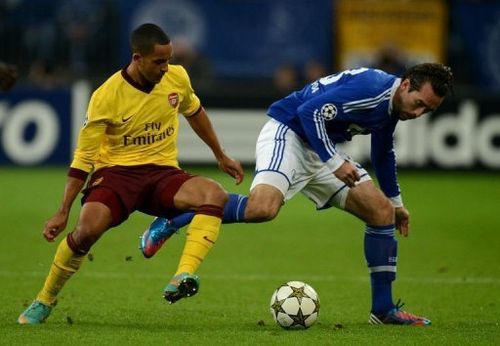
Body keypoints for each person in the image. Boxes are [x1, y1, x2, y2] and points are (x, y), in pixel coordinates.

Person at [141, 63, 454, 326]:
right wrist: (335, 163)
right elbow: (308, 112)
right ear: (407, 85)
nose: (419, 113)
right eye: (420, 103)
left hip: (321, 149)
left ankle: (383, 310)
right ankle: (174, 217)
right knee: (263, 209)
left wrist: (397, 205)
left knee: (381, 212)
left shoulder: (392, 105)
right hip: (288, 133)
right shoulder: (371, 89)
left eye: (428, 110)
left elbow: (383, 151)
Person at [17, 23, 244, 325]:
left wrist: (220, 154)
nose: (166, 68)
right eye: (158, 62)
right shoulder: (107, 96)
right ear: (137, 58)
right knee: (87, 230)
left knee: (214, 193)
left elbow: (195, 111)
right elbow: (83, 158)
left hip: (162, 173)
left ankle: (183, 273)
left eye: (168, 60)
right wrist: (63, 211)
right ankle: (44, 300)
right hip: (117, 174)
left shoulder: (177, 77)